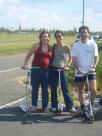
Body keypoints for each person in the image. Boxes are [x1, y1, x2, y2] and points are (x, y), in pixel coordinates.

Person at [71, 26, 99, 121]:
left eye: (85, 32)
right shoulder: (76, 45)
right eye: (82, 32)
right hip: (80, 71)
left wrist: (94, 66)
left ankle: (89, 105)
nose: (83, 34)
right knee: (81, 90)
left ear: (88, 33)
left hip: (91, 70)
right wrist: (77, 68)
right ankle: (83, 107)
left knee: (94, 90)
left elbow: (96, 57)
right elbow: (74, 59)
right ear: (79, 34)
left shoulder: (92, 44)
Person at [21, 30, 52, 112]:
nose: (45, 38)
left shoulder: (50, 47)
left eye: (46, 36)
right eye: (43, 36)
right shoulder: (36, 45)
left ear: (49, 38)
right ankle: (34, 105)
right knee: (35, 89)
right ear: (40, 38)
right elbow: (28, 54)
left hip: (46, 71)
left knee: (45, 90)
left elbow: (52, 58)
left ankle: (45, 107)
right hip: (36, 71)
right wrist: (25, 64)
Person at [50, 30, 76, 113]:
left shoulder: (66, 46)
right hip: (53, 69)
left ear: (63, 36)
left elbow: (71, 58)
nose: (59, 37)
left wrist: (68, 66)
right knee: (53, 88)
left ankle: (70, 106)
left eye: (60, 36)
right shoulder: (53, 47)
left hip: (63, 70)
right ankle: (54, 106)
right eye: (57, 36)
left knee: (65, 88)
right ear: (55, 38)